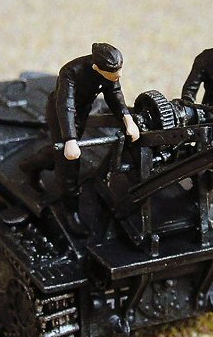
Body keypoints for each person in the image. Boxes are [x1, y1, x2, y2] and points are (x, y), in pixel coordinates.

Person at [22, 43, 140, 236]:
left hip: (82, 111)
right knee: (69, 163)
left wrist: (128, 119)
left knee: (59, 153)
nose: (119, 75)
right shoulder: (70, 72)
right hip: (61, 115)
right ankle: (70, 211)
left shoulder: (110, 73)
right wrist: (70, 138)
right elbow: (65, 105)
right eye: (114, 73)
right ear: (96, 68)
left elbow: (114, 94)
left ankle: (30, 165)